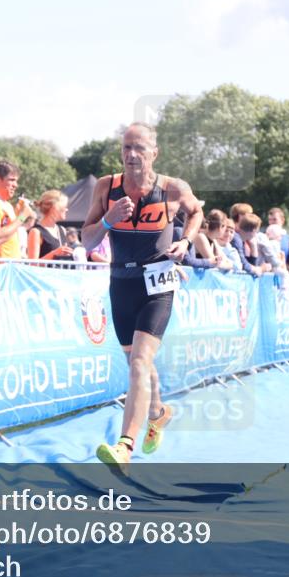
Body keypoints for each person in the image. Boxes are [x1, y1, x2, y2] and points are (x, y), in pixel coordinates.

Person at [81, 123, 203, 470]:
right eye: (125, 148)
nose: (131, 155)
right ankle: (158, 413)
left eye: (139, 148)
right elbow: (86, 241)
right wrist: (107, 220)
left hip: (159, 281)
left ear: (154, 152)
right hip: (121, 281)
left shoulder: (173, 189)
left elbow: (195, 212)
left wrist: (185, 240)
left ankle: (125, 447)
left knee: (139, 363)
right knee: (139, 366)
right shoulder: (107, 188)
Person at [26, 190, 74, 261]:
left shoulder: (62, 230)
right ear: (54, 208)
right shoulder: (36, 232)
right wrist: (54, 253)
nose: (66, 209)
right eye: (64, 206)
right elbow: (32, 264)